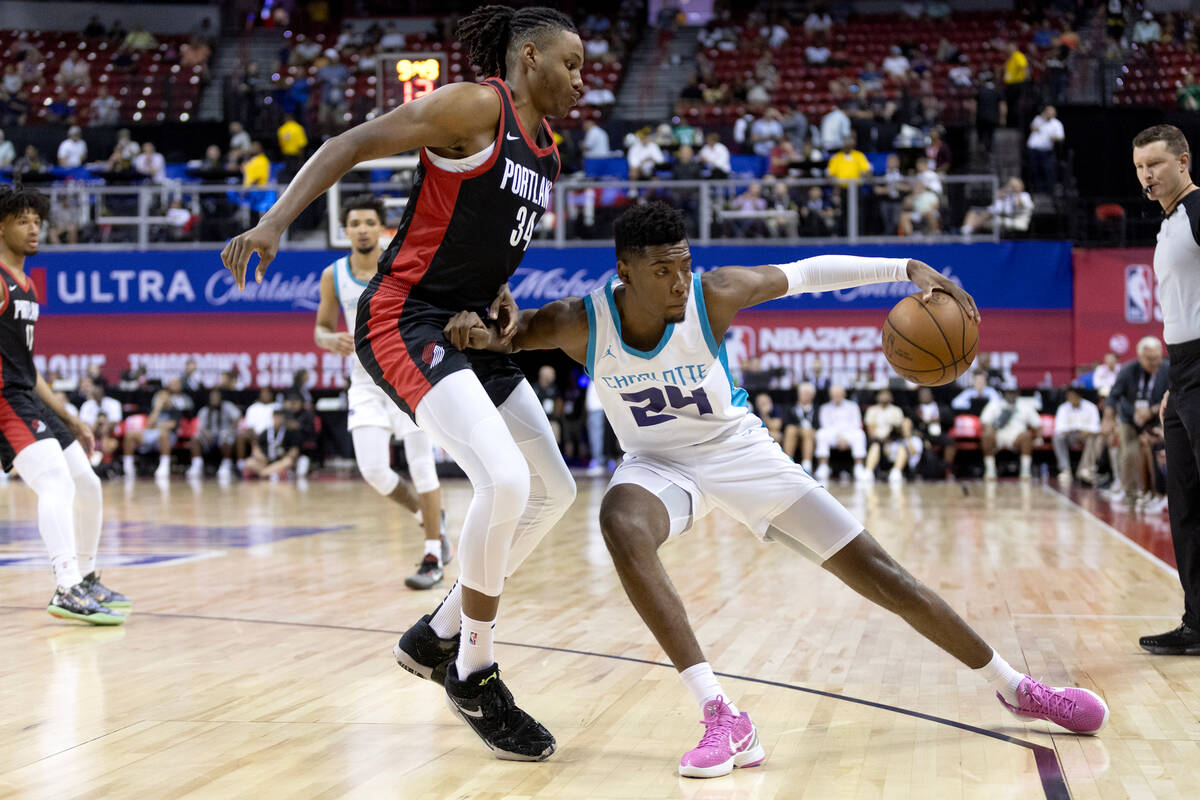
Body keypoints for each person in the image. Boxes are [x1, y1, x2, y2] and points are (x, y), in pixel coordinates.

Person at [445, 202, 1105, 777]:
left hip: (739, 452)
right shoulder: (579, 322)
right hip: (657, 465)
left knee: (884, 577)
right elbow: (506, 336)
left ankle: (1017, 687)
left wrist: (907, 268)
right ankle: (720, 713)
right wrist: (476, 328)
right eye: (662, 271)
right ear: (625, 272)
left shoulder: (715, 293)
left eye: (684, 264)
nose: (679, 281)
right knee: (620, 521)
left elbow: (809, 273)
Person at [221, 5, 583, 761]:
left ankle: (439, 630)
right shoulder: (476, 105)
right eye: (570, 64)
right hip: (403, 316)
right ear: (528, 60)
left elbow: (486, 238)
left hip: (469, 324)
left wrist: (500, 297)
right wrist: (274, 221)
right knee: (506, 482)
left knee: (555, 487)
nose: (582, 80)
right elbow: (348, 144)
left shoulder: (547, 149)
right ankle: (473, 672)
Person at [0, 186, 127, 625]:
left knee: (86, 483)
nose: (34, 228)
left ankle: (87, 577)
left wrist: (70, 417)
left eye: (37, 220)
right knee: (56, 482)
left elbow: (28, 368)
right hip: (4, 401)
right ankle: (66, 586)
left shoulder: (26, 284)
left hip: (28, 396)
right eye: (22, 221)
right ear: (1, 227)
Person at [315, 194, 452, 590]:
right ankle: (427, 519)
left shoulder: (399, 262)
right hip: (364, 380)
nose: (361, 229)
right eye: (354, 222)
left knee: (421, 463)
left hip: (406, 374)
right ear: (344, 230)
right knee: (374, 470)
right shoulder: (333, 275)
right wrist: (329, 340)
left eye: (368, 222)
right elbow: (321, 328)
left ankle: (432, 554)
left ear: (381, 228)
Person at [1131, 125, 1200, 654]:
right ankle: (1196, 622)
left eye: (1155, 164)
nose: (1146, 175)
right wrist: (1172, 383)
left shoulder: (1198, 211)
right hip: (1182, 371)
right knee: (1184, 503)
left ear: (1183, 161)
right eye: (1139, 167)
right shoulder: (1169, 223)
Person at [1103, 337, 1169, 507]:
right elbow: (1113, 396)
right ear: (1140, 357)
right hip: (1129, 417)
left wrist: (1152, 411)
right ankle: (1130, 494)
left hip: (1156, 418)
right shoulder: (1127, 370)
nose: (1155, 362)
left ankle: (1155, 493)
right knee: (1130, 452)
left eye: (1157, 357)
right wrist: (1108, 419)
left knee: (1154, 450)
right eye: (1150, 359)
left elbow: (1173, 397)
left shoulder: (1167, 369)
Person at [121, 377, 194, 480]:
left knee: (163, 433)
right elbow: (148, 425)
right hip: (151, 435)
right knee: (130, 435)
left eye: (165, 397)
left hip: (168, 438)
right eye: (161, 397)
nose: (163, 400)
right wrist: (157, 408)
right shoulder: (154, 410)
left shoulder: (174, 411)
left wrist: (157, 425)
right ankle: (128, 467)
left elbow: (171, 425)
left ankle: (164, 466)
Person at [980, 387, 1041, 480]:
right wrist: (990, 430)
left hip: (1016, 435)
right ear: (1004, 394)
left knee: (1027, 436)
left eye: (1013, 393)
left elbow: (1037, 424)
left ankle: (1025, 469)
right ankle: (990, 469)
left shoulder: (1025, 406)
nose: (1011, 395)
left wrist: (1039, 437)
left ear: (1017, 394)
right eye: (1008, 393)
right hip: (998, 435)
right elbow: (985, 422)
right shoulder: (995, 404)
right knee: (986, 435)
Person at [813, 384, 869, 481]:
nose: (836, 397)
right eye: (834, 394)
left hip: (849, 434)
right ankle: (823, 466)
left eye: (838, 394)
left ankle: (859, 467)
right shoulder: (825, 408)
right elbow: (825, 425)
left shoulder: (853, 406)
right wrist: (838, 437)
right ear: (830, 395)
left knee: (860, 434)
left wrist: (844, 437)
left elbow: (856, 423)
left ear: (844, 394)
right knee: (821, 434)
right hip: (833, 436)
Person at [186, 388, 240, 481]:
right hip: (209, 437)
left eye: (217, 397)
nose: (215, 399)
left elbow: (237, 417)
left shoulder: (227, 406)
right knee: (195, 438)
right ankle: (197, 464)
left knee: (226, 437)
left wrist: (231, 429)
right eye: (213, 397)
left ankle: (226, 464)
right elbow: (201, 428)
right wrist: (206, 434)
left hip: (225, 434)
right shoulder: (204, 410)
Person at [1053, 386, 1103, 483]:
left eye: (1073, 396)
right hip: (1070, 436)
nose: (1070, 399)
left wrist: (1086, 432)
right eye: (1068, 396)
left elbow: (1096, 427)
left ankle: (1085, 469)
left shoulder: (1091, 407)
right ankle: (1065, 470)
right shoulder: (1063, 408)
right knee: (1058, 438)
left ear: (1079, 396)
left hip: (1086, 435)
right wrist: (1071, 431)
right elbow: (1059, 428)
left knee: (1094, 437)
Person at [863, 389, 915, 483]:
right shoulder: (872, 410)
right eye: (882, 394)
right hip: (877, 440)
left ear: (891, 398)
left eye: (887, 395)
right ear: (877, 397)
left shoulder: (897, 410)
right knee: (875, 446)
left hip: (893, 440)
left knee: (901, 447)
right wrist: (882, 440)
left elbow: (899, 429)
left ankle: (896, 472)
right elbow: (870, 430)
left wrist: (889, 439)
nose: (884, 397)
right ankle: (868, 471)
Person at [244, 407, 300, 479]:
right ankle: (271, 473)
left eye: (280, 418)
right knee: (249, 462)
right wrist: (262, 458)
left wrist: (288, 456)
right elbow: (256, 448)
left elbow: (294, 449)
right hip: (266, 462)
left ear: (283, 419)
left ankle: (264, 474)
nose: (278, 420)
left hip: (280, 462)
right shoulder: (265, 432)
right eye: (276, 417)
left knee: (288, 461)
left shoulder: (289, 432)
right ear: (273, 418)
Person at [1027, 106, 1064, 194]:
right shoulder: (1038, 119)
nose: (1049, 114)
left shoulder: (1056, 124)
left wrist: (1053, 138)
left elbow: (1061, 138)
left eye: (1051, 112)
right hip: (1033, 150)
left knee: (1047, 171)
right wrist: (1043, 119)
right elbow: (1033, 128)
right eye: (1048, 112)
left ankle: (1048, 191)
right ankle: (1035, 190)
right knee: (1033, 170)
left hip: (1046, 152)